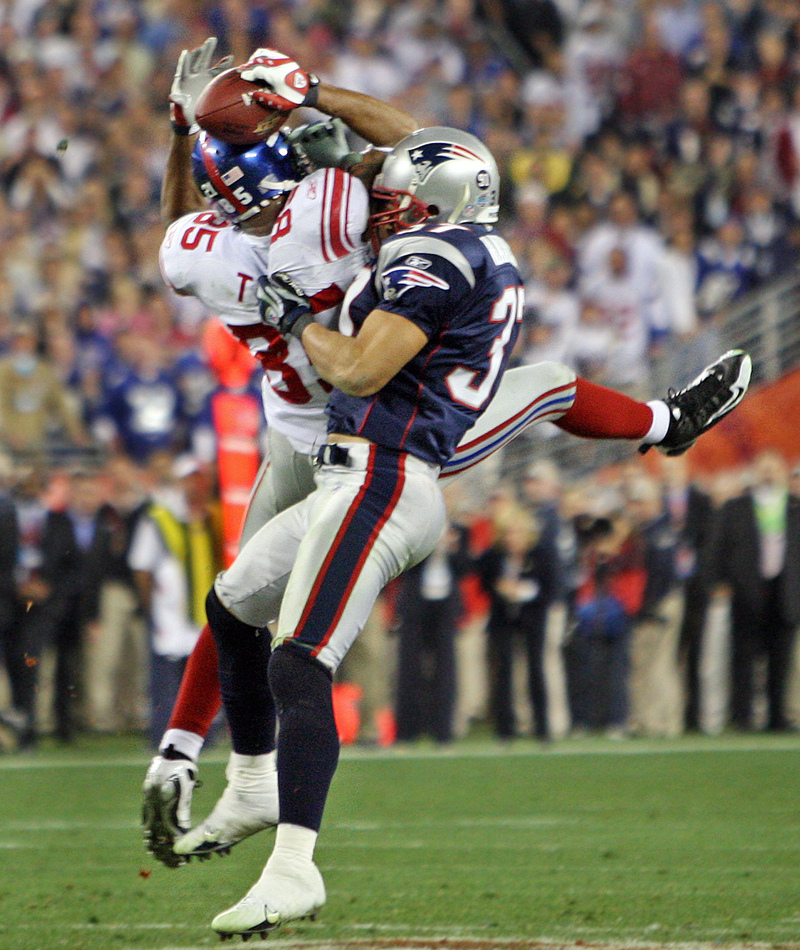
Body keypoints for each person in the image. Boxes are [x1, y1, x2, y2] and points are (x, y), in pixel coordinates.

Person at [202, 120, 752, 938]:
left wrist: (287, 316)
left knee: (300, 659)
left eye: (399, 199)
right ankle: (668, 421)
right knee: (232, 600)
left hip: (386, 472)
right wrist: (325, 121)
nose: (383, 208)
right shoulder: (474, 249)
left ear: (439, 202)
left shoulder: (435, 256)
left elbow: (354, 368)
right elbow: (415, 149)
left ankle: (293, 867)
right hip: (396, 449)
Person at [141, 38, 419, 866]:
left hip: (293, 434)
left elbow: (176, 227)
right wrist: (310, 94)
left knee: (236, 603)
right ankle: (267, 804)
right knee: (291, 637)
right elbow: (418, 146)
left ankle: (185, 748)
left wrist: (178, 137)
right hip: (374, 422)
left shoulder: (203, 255)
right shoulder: (330, 205)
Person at [707, 449, 800, 732]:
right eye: (764, 468)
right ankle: (743, 717)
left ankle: (777, 717)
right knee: (743, 658)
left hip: (785, 591)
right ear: (754, 473)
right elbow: (717, 549)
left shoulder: (795, 507)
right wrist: (719, 582)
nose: (769, 473)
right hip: (746, 592)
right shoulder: (736, 507)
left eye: (774, 468)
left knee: (780, 659)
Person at [476, 504, 557, 741]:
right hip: (503, 618)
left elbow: (550, 589)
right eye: (508, 532)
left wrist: (523, 591)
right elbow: (484, 582)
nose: (513, 538)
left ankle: (542, 728)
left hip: (533, 617)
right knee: (504, 672)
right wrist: (499, 588)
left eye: (518, 532)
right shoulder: (493, 556)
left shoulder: (541, 554)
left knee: (536, 669)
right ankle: (504, 730)